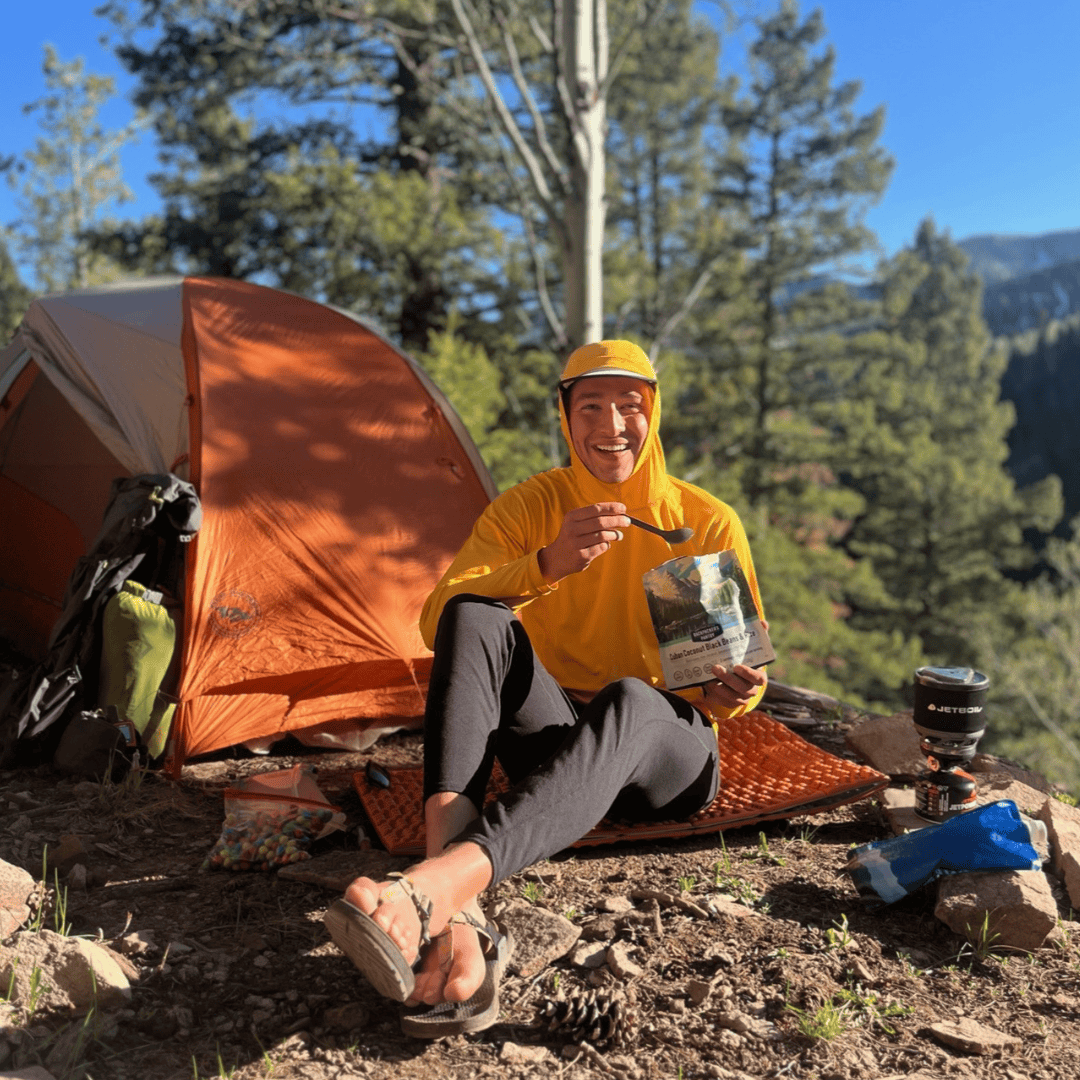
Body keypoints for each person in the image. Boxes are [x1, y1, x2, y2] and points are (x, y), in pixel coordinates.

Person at [324, 340, 768, 1036]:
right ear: (565, 417)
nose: (611, 425)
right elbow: (438, 619)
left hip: (666, 752)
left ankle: (437, 884)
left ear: (654, 413)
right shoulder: (534, 507)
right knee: (473, 612)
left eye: (630, 405)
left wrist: (736, 692)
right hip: (559, 742)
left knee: (630, 697)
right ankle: (461, 920)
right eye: (590, 407)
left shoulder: (700, 521)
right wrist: (548, 562)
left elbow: (730, 686)